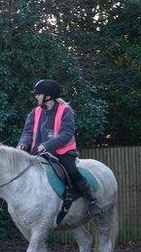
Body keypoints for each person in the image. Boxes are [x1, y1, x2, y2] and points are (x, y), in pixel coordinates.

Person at [17, 79, 102, 218]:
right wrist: (23, 145)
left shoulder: (65, 110)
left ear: (48, 96)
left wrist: (48, 145)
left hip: (63, 152)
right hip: (38, 153)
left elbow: (66, 134)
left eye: (38, 94)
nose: (36, 97)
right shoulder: (35, 112)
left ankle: (92, 201)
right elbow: (27, 133)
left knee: (72, 171)